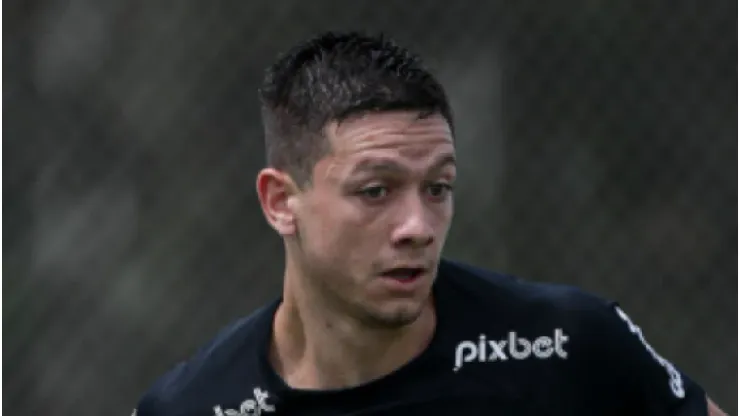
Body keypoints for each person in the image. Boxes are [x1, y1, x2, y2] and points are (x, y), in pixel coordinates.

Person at [133, 31, 726, 415]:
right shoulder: (192, 407)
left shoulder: (568, 346)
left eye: (438, 188)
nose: (417, 225)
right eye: (375, 191)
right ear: (280, 202)